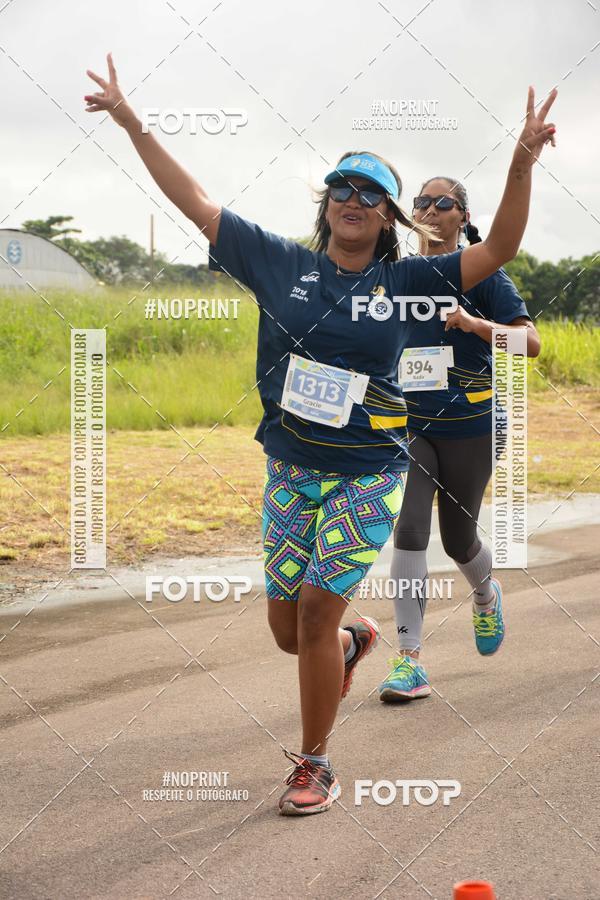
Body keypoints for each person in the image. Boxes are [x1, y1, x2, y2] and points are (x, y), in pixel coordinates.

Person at [84, 55, 556, 814]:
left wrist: (522, 161)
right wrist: (133, 122)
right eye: (342, 186)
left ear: (388, 216)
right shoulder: (278, 265)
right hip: (290, 470)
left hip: (368, 473)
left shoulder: (408, 283)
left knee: (312, 612)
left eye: (371, 193)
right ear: (326, 201)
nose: (353, 200)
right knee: (288, 630)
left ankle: (315, 764)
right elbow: (193, 200)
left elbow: (497, 248)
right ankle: (353, 643)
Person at [378, 177, 541, 703]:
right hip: (411, 423)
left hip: (474, 425)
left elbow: (530, 344)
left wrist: (474, 325)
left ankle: (486, 593)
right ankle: (409, 660)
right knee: (408, 529)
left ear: (462, 216)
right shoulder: (398, 275)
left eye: (441, 202)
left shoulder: (483, 273)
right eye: (420, 202)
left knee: (457, 540)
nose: (428, 209)